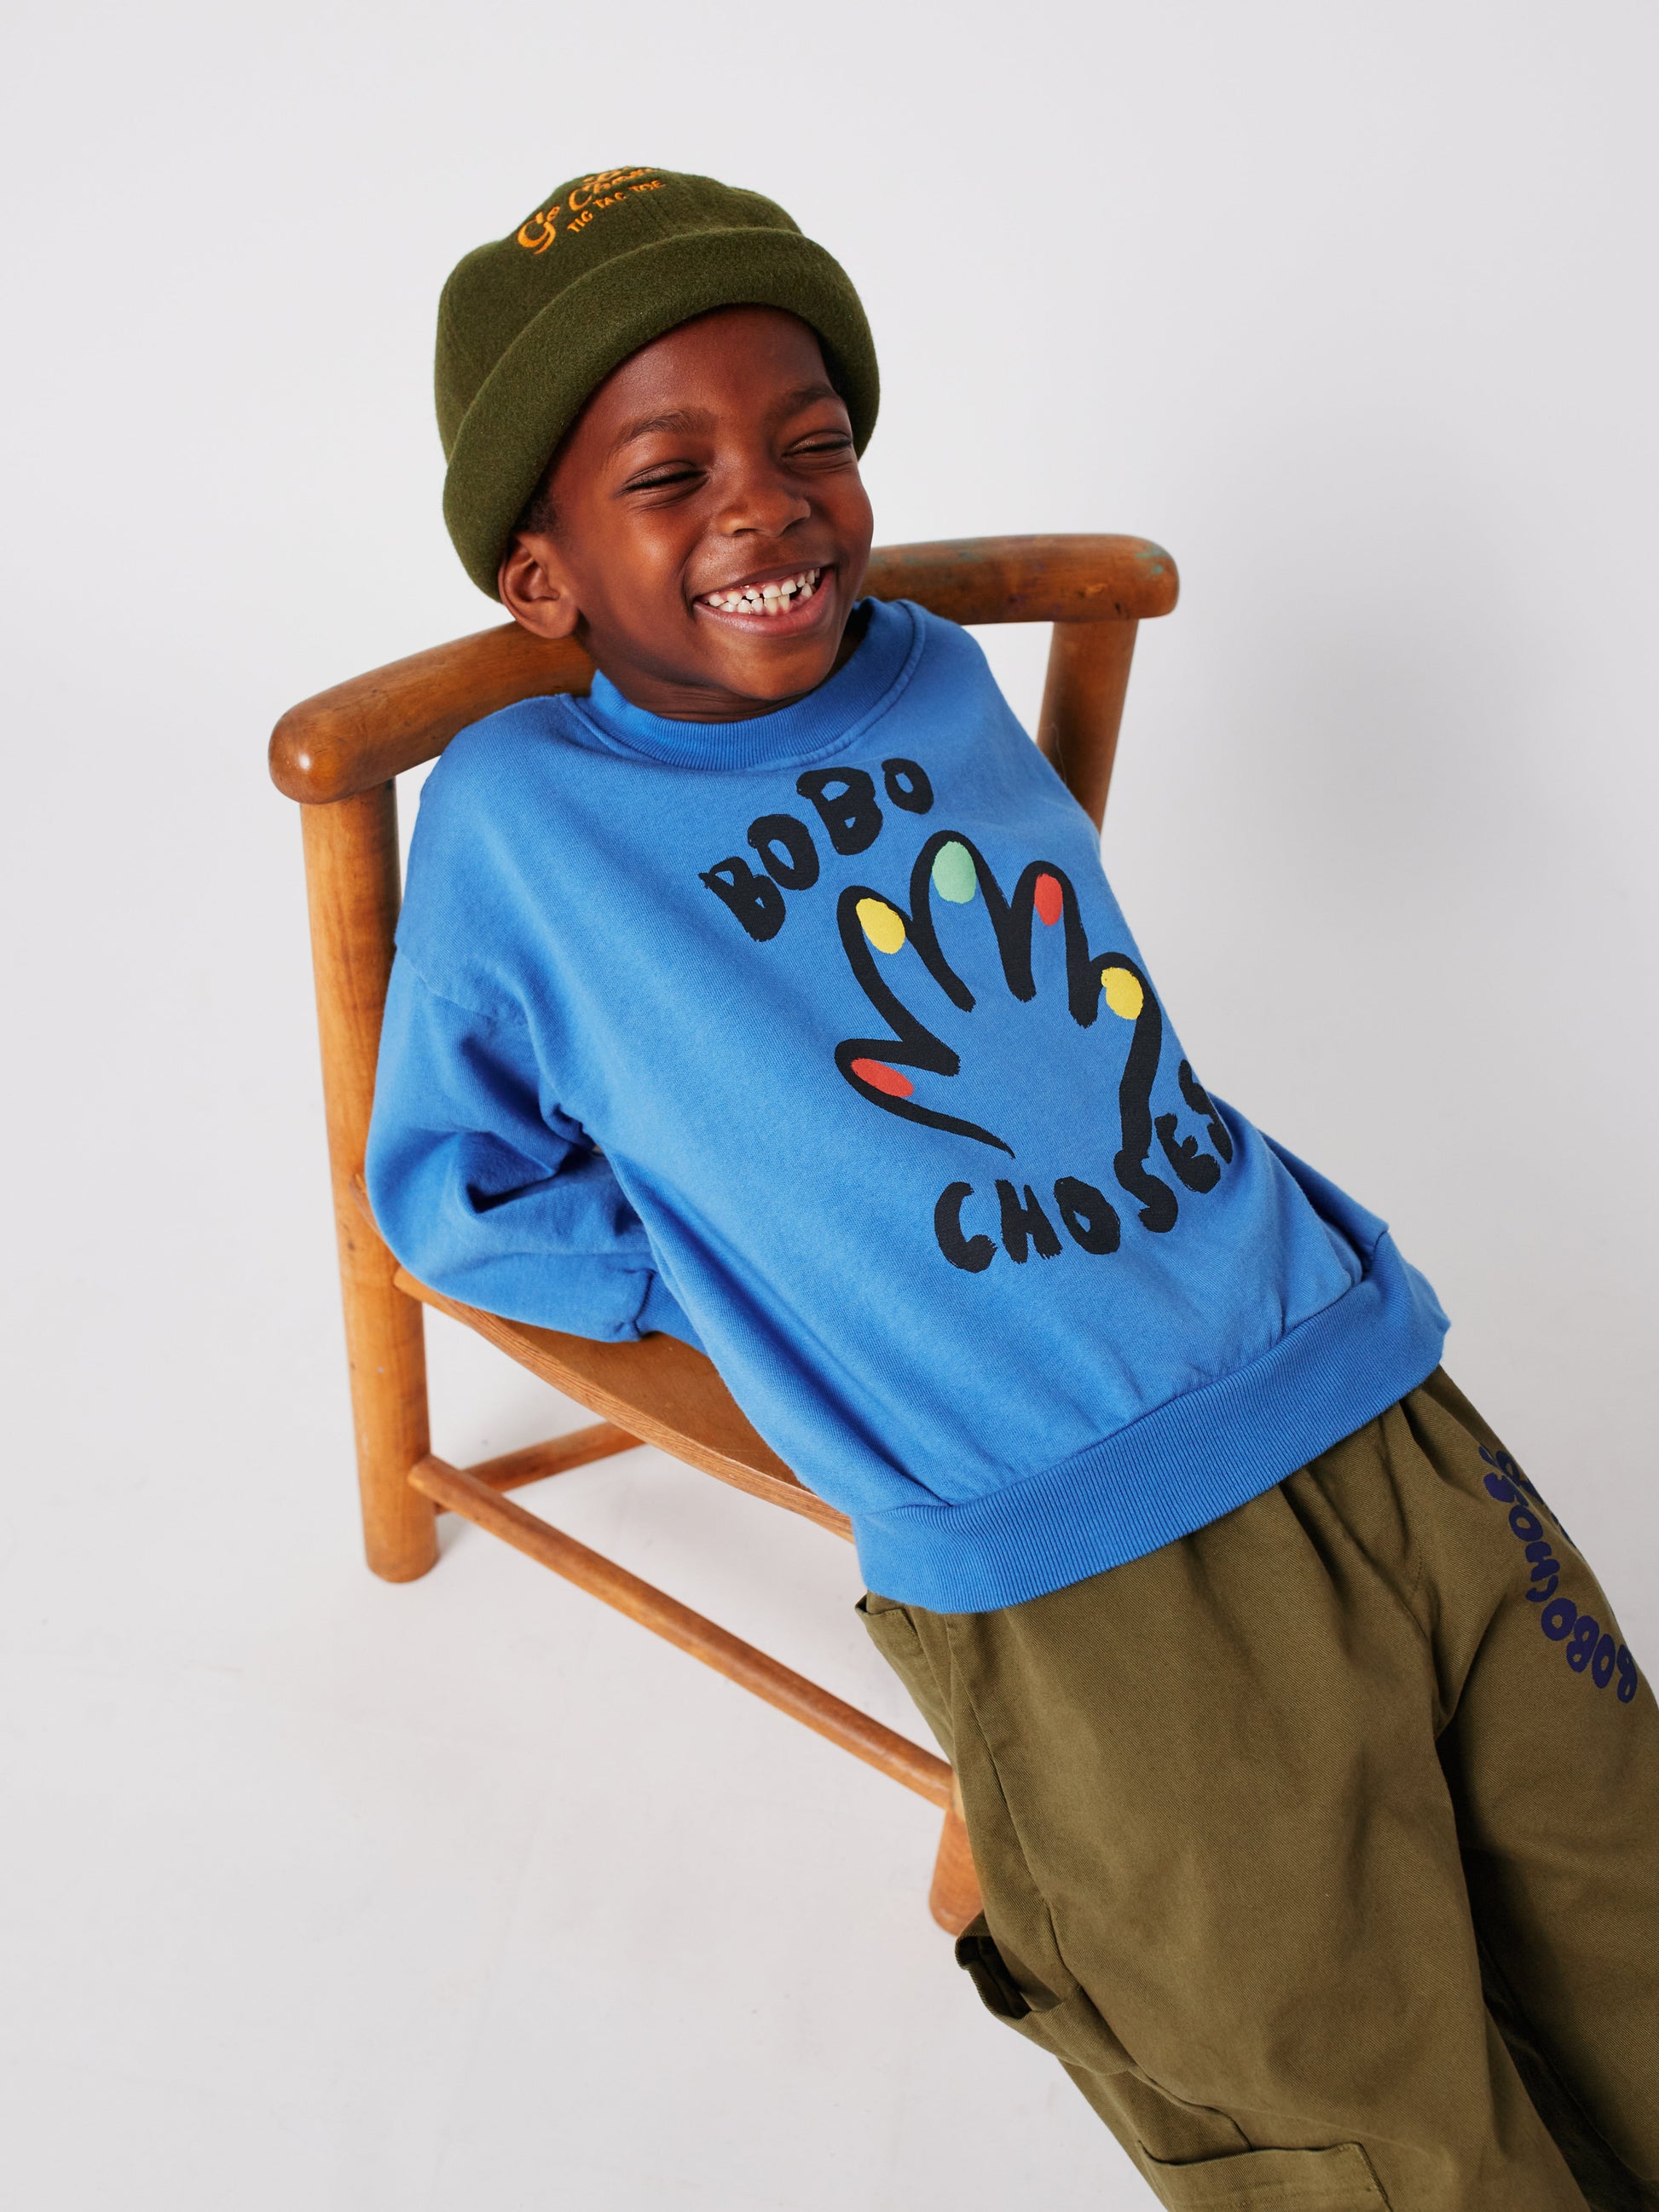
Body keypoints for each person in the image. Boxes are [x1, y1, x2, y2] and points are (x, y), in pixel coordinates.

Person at [365, 166, 1657, 2210]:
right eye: (671, 475)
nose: (771, 508)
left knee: (1624, 1906)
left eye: (814, 443)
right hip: (1067, 1532)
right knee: (1354, 2094)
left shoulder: (929, 668)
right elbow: (450, 1185)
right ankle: (1130, 1931)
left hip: (1350, 1367)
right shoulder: (522, 820)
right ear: (541, 576)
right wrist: (747, 1264)